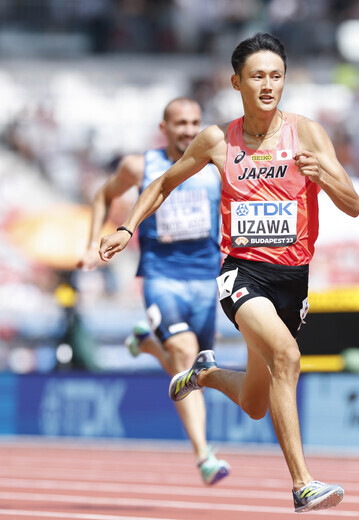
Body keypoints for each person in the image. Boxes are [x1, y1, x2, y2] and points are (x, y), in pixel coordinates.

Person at [99, 33, 359, 513]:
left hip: (293, 281)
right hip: (242, 275)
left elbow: (353, 205)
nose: (268, 85)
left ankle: (207, 372)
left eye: (276, 76)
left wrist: (323, 174)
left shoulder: (307, 133)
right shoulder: (219, 139)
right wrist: (125, 226)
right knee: (287, 356)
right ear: (236, 81)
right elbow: (163, 182)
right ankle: (303, 485)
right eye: (258, 76)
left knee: (257, 403)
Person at [77, 97, 231, 486]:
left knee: (198, 366)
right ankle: (204, 455)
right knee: (184, 354)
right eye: (180, 122)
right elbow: (102, 196)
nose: (188, 129)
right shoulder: (140, 165)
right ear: (163, 127)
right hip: (162, 276)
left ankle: (146, 344)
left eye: (195, 122)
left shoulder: (219, 163)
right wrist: (92, 244)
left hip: (205, 280)